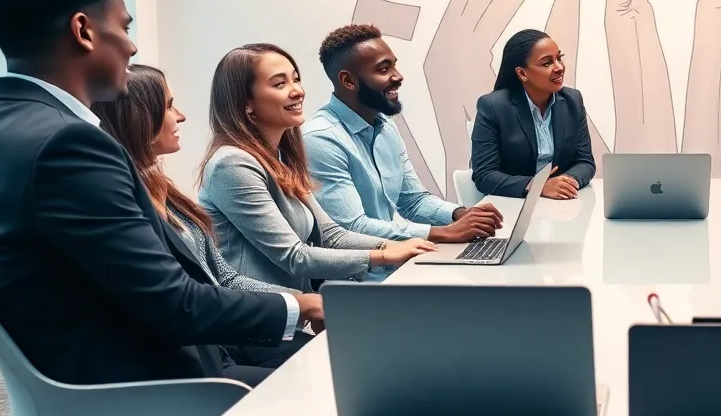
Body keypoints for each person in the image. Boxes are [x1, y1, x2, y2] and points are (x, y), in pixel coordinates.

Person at [0, 0, 320, 387]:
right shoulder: (68, 144)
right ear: (84, 31)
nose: (132, 46)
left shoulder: (5, 124)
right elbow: (174, 304)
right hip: (159, 392)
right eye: (123, 28)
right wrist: (301, 306)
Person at [92, 64, 313, 368]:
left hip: (228, 336)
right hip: (211, 349)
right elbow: (191, 298)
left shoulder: (163, 190)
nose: (180, 115)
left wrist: (299, 303)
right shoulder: (137, 199)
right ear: (138, 117)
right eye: (169, 106)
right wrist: (298, 305)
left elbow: (224, 277)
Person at [199, 44, 436, 293]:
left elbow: (331, 235)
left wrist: (396, 246)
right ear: (246, 103)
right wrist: (385, 255)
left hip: (294, 312)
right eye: (280, 84)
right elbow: (295, 257)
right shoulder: (232, 164)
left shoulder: (281, 157)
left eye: (296, 80)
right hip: (258, 321)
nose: (297, 91)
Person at [304, 24, 503, 278]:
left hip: (398, 266)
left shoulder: (385, 127)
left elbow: (413, 200)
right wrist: (442, 233)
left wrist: (460, 215)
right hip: (359, 283)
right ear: (348, 81)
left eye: (394, 66)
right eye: (383, 69)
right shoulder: (320, 139)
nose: (398, 76)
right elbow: (350, 227)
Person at [471, 28, 596, 199]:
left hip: (562, 207)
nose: (559, 67)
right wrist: (538, 186)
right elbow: (484, 175)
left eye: (559, 58)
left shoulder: (572, 101)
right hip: (512, 206)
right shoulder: (492, 107)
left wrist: (566, 182)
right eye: (547, 63)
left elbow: (585, 162)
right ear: (522, 73)